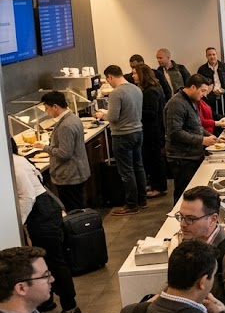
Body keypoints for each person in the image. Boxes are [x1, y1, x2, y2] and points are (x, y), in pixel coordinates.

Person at [11, 145, 81, 313]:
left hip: (42, 213)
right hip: (42, 211)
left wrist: (17, 224)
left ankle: (70, 306)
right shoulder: (18, 161)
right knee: (43, 260)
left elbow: (28, 197)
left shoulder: (15, 165)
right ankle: (47, 300)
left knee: (54, 261)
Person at [97, 65, 147, 215]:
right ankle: (142, 199)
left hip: (122, 135)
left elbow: (113, 117)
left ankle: (131, 205)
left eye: (108, 80)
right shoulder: (136, 89)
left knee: (126, 171)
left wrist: (102, 115)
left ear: (110, 77)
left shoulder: (116, 93)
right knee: (138, 167)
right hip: (138, 132)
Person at [164, 74, 217, 202]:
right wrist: (202, 140)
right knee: (184, 194)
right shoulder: (176, 103)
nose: (204, 95)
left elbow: (196, 126)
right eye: (202, 91)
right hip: (182, 157)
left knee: (193, 193)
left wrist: (210, 136)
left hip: (192, 155)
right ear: (193, 87)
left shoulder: (191, 100)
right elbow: (175, 133)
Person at [34, 91, 89, 211]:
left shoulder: (65, 126)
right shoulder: (73, 118)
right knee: (77, 207)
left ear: (55, 106)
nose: (46, 112)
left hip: (69, 175)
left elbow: (64, 154)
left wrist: (44, 148)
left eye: (47, 108)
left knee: (73, 211)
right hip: (77, 171)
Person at [133, 65, 169, 198]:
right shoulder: (154, 88)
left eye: (135, 73)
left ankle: (159, 187)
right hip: (155, 129)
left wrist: (135, 110)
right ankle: (155, 184)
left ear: (142, 75)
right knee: (153, 158)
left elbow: (152, 112)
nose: (133, 76)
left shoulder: (150, 92)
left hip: (153, 130)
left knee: (154, 159)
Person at [197, 47, 225, 119]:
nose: (212, 57)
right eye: (209, 55)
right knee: (213, 117)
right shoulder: (202, 69)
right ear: (206, 56)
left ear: (216, 55)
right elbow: (199, 84)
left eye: (213, 54)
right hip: (210, 97)